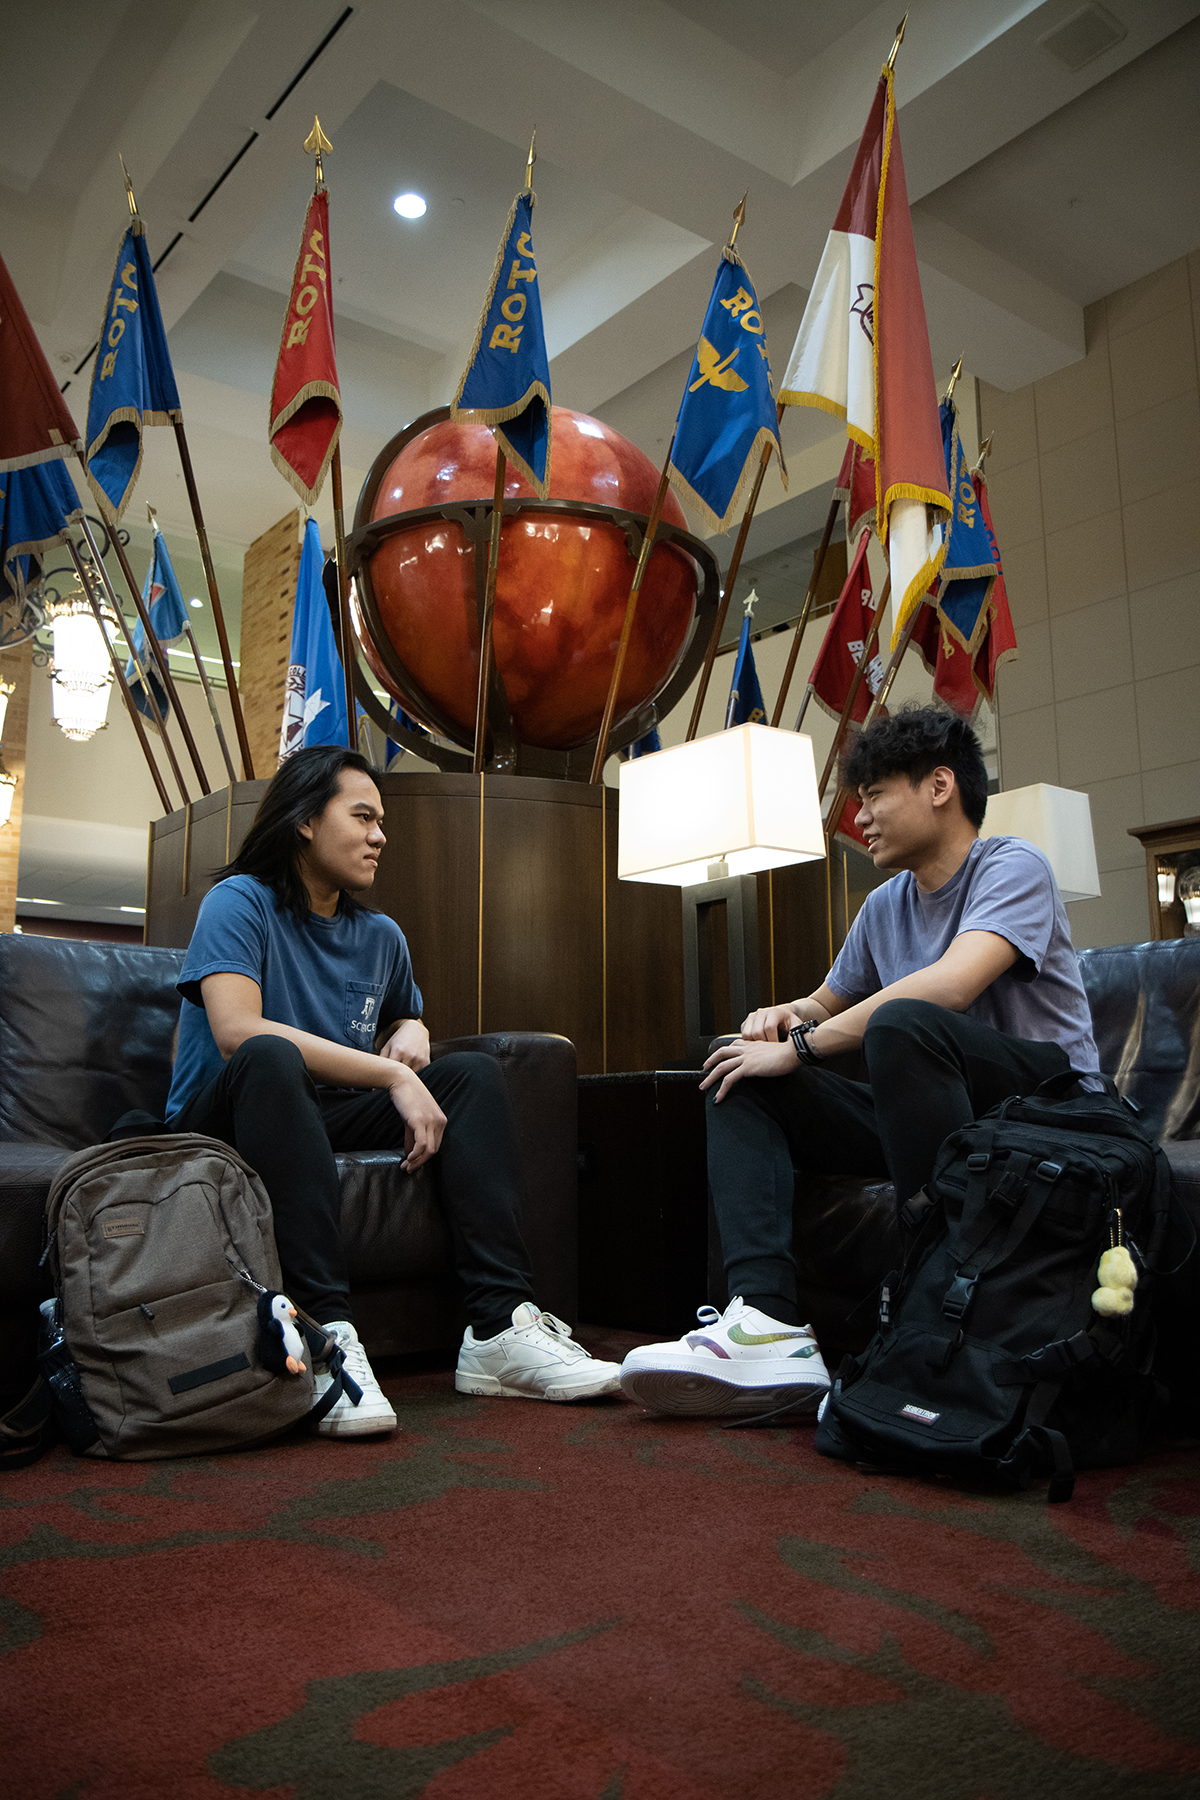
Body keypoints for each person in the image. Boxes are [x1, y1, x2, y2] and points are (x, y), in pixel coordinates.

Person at [620, 705, 1101, 1417]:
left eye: (875, 795)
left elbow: (955, 982)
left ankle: (931, 1305)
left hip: (1046, 1114)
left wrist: (805, 1046)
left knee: (909, 1021)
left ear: (940, 786)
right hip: (935, 1114)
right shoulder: (884, 906)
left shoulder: (1013, 865)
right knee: (736, 1068)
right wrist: (781, 1020)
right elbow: (822, 1001)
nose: (860, 818)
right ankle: (766, 1322)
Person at [165, 745, 621, 1436]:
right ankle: (325, 1337)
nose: (381, 835)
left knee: (470, 1076)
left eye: (382, 822)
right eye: (363, 816)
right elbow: (235, 1032)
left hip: (321, 1111)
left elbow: (402, 1018)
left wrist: (413, 1027)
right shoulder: (239, 901)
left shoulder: (380, 935)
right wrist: (393, 1073)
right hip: (226, 1117)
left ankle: (498, 1330)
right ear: (305, 821)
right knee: (268, 1057)